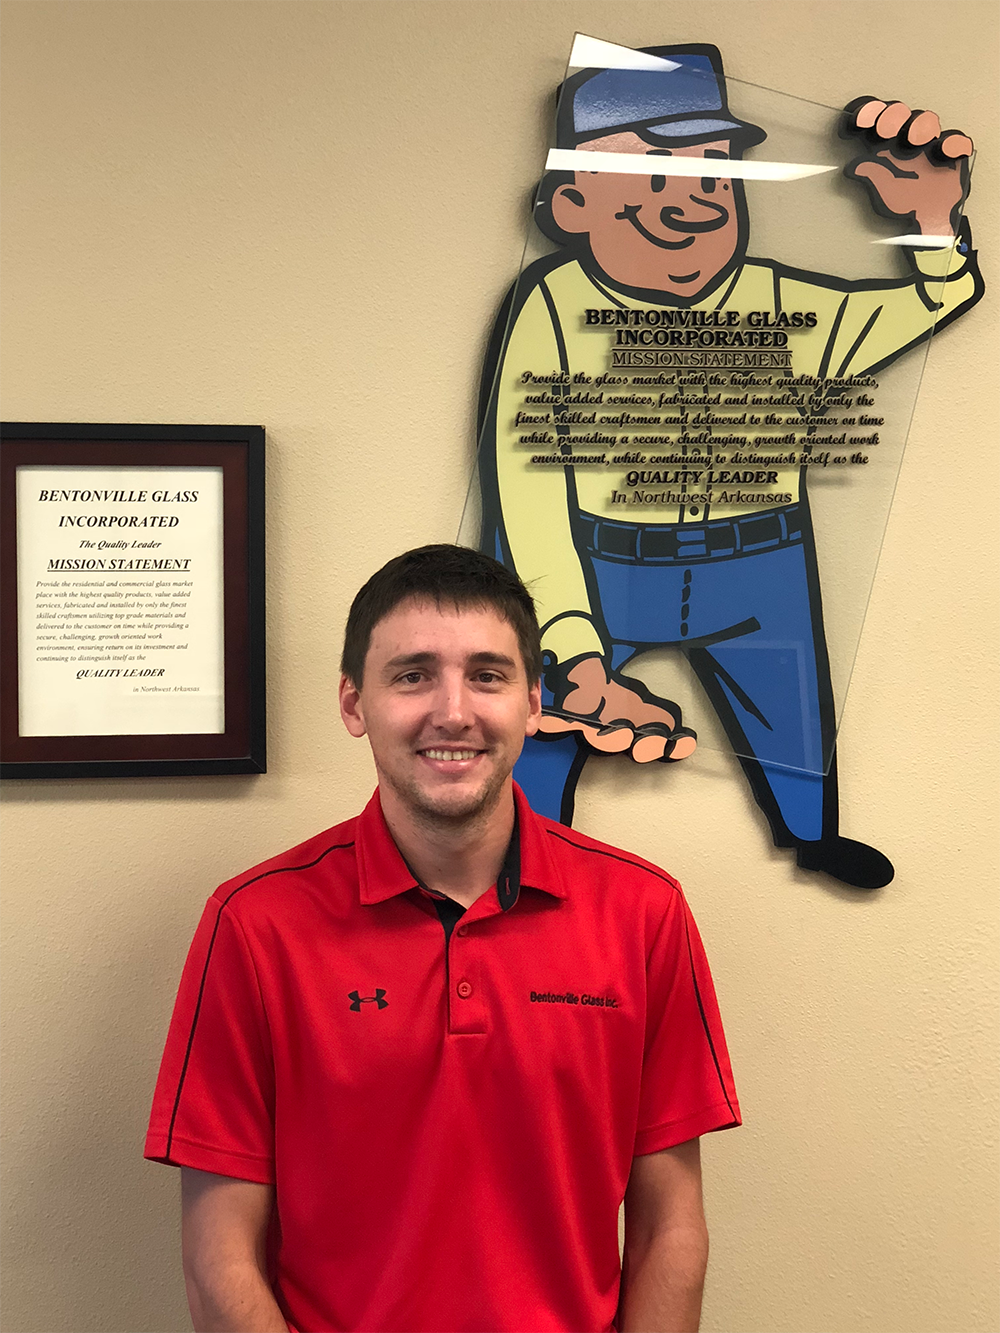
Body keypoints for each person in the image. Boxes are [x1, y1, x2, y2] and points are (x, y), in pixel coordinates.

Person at [145, 543, 741, 1333]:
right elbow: (219, 1251)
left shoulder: (644, 913)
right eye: (413, 673)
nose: (452, 711)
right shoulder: (255, 924)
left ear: (534, 703)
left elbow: (672, 1229)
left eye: (487, 675)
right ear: (355, 704)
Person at [478, 43, 984, 889]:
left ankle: (813, 836)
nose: (692, 206)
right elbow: (526, 487)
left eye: (714, 178)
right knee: (552, 723)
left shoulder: (782, 302)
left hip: (760, 562)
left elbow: (935, 298)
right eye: (653, 180)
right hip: (606, 562)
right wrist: (573, 641)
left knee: (792, 722)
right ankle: (518, 860)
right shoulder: (553, 304)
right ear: (571, 202)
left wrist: (929, 225)